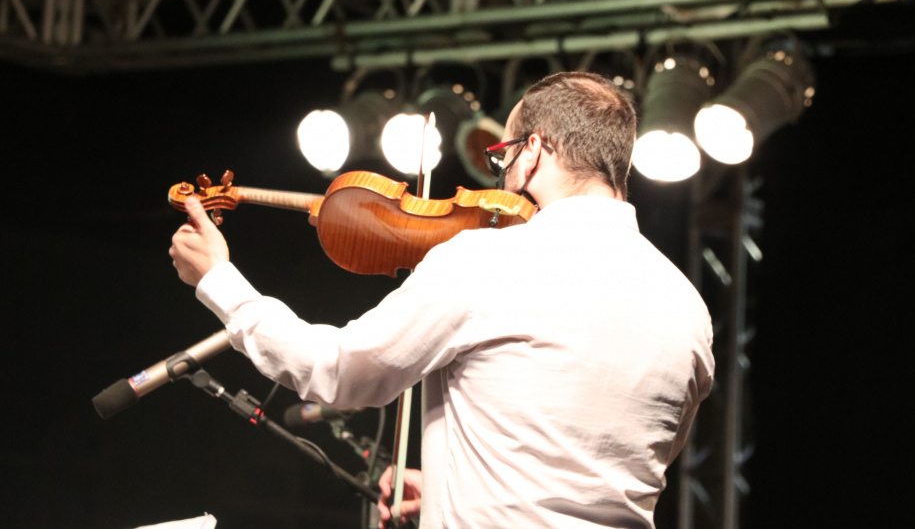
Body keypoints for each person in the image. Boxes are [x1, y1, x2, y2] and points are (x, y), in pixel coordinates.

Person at [170, 71, 714, 528]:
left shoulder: (488, 260)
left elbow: (333, 369)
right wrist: (453, 486)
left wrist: (218, 279)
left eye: (503, 155)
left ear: (534, 151)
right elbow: (614, 463)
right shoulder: (689, 310)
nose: (501, 175)